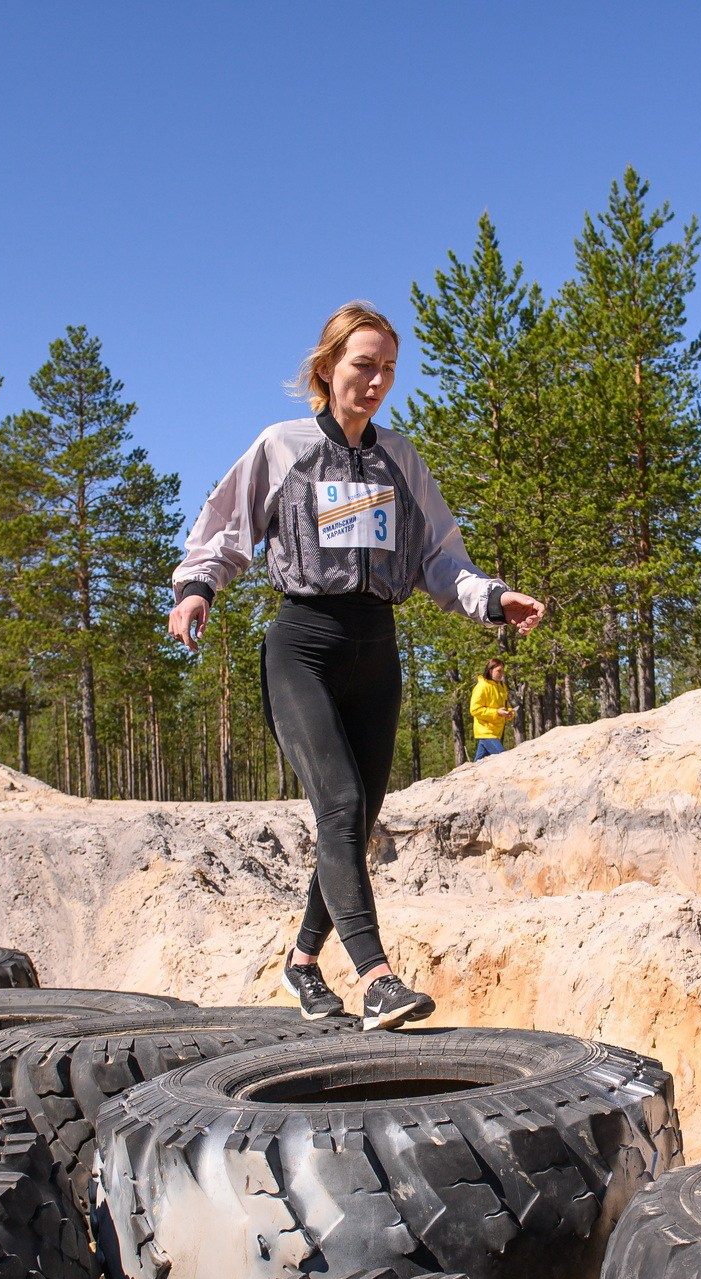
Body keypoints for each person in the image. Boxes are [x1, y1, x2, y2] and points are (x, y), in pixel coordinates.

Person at [168, 302, 546, 1030]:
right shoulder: (281, 447)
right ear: (326, 370)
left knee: (356, 820)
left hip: (377, 649)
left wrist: (492, 600)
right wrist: (195, 589)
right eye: (361, 365)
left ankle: (302, 964)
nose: (374, 381)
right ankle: (377, 976)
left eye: (386, 370)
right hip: (303, 646)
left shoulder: (399, 459)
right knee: (338, 806)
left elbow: (441, 557)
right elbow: (225, 529)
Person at [469, 658, 513, 758]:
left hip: (496, 732)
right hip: (486, 732)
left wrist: (510, 712)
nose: (501, 673)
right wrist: (497, 712)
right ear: (490, 670)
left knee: (478, 764)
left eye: (502, 671)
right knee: (503, 757)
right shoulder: (482, 686)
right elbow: (474, 710)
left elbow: (505, 706)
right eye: (499, 671)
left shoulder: (501, 686)